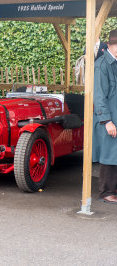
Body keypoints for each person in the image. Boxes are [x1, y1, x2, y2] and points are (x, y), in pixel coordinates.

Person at [93, 29, 117, 204]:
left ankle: (112, 190)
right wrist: (107, 121)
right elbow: (99, 96)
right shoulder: (101, 65)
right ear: (110, 45)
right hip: (108, 118)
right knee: (109, 155)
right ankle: (106, 192)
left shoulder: (114, 63)